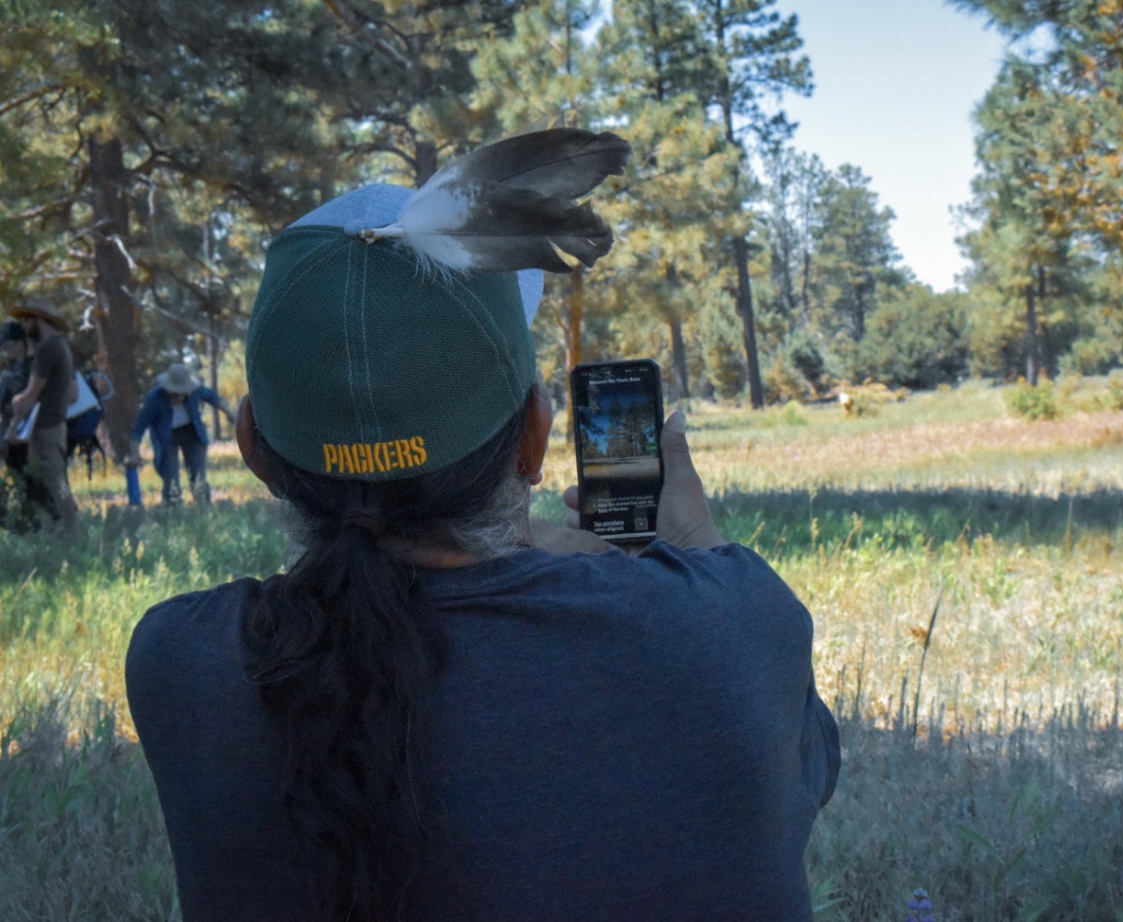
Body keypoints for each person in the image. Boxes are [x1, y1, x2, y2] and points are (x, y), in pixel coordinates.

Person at [125, 127, 840, 922]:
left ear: (255, 446)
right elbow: (798, 773)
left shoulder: (181, 663)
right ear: (536, 436)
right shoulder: (729, 621)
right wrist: (697, 562)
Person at [6, 297, 78, 530]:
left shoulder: (47, 351)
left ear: (41, 319)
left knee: (54, 483)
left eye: (28, 320)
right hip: (55, 424)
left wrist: (14, 422)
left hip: (45, 427)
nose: (25, 326)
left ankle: (70, 532)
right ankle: (60, 530)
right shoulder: (60, 346)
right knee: (52, 481)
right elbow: (72, 394)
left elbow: (30, 393)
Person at [129, 362, 236, 504]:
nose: (179, 395)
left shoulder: (195, 391)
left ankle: (204, 509)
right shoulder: (154, 399)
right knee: (171, 478)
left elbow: (213, 398)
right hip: (166, 437)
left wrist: (230, 414)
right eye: (175, 392)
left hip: (192, 433)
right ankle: (173, 511)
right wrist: (135, 454)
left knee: (198, 477)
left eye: (182, 392)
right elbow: (138, 429)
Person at [0, 320, 29, 476]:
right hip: (11, 428)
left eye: (8, 344)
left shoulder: (31, 366)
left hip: (28, 430)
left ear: (20, 343)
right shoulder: (11, 367)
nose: (5, 349)